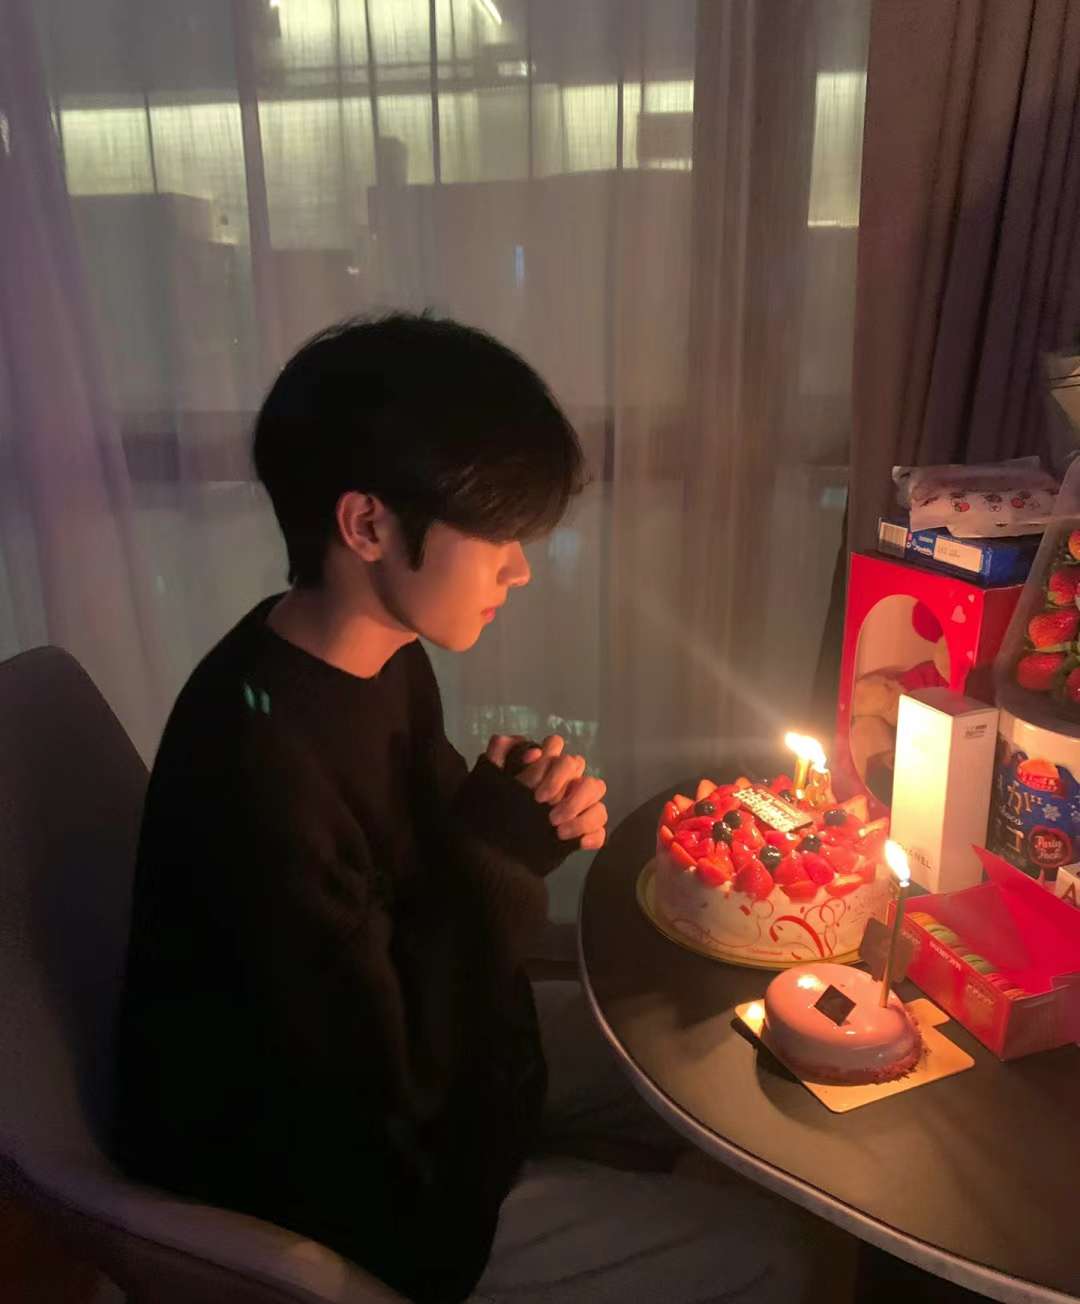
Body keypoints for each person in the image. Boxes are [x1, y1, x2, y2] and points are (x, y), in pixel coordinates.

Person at [115, 314, 810, 1304]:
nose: (519, 568)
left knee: (716, 1049)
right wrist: (503, 857)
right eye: (496, 531)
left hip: (436, 1059)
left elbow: (419, 869)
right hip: (335, 1186)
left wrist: (508, 813)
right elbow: (383, 1082)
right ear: (366, 526)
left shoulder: (371, 655)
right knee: (773, 1256)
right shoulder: (257, 765)